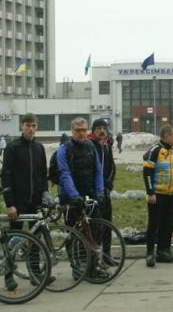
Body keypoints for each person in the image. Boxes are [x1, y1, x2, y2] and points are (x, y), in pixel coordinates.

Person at [0, 113, 54, 288]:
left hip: (35, 202)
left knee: (35, 240)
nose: (31, 128)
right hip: (17, 202)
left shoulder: (39, 148)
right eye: (27, 125)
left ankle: (35, 274)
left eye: (34, 125)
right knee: (13, 239)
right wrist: (10, 204)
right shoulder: (12, 148)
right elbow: (6, 177)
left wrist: (45, 193)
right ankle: (9, 275)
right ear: (21, 126)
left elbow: (42, 175)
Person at [56, 118, 106, 279]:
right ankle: (76, 267)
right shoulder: (64, 149)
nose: (81, 133)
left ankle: (92, 267)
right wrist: (74, 195)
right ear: (72, 131)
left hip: (90, 194)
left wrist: (99, 192)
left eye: (84, 130)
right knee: (74, 233)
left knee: (94, 232)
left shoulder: (91, 147)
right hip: (71, 197)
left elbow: (98, 171)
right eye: (78, 130)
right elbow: (65, 174)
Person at [143, 125, 173, 267]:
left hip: (172, 195)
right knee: (154, 224)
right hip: (157, 195)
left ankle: (164, 250)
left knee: (168, 223)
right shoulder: (154, 150)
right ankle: (150, 253)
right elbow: (147, 173)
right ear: (166, 136)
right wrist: (150, 192)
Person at [88, 119, 117, 264]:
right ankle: (95, 258)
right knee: (95, 227)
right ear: (93, 131)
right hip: (94, 193)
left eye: (104, 128)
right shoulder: (90, 146)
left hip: (106, 191)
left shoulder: (106, 145)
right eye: (98, 128)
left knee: (107, 224)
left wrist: (109, 184)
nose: (101, 131)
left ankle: (107, 254)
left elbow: (111, 166)